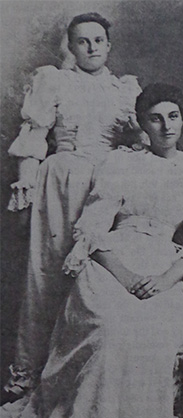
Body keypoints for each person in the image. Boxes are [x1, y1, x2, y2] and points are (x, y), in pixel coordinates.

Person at [1, 83, 183, 418]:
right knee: (110, 328)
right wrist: (122, 274)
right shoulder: (121, 162)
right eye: (155, 119)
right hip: (112, 258)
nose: (166, 126)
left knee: (149, 331)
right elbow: (91, 227)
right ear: (141, 124)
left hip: (165, 265)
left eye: (173, 117)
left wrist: (166, 280)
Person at [5, 12, 142, 397]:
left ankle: (86, 377)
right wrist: (26, 186)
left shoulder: (124, 89)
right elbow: (33, 137)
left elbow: (141, 136)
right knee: (49, 270)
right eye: (83, 41)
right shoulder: (55, 81)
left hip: (110, 184)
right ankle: (33, 373)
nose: (92, 47)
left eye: (98, 40)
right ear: (72, 46)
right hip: (63, 182)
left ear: (109, 44)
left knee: (99, 273)